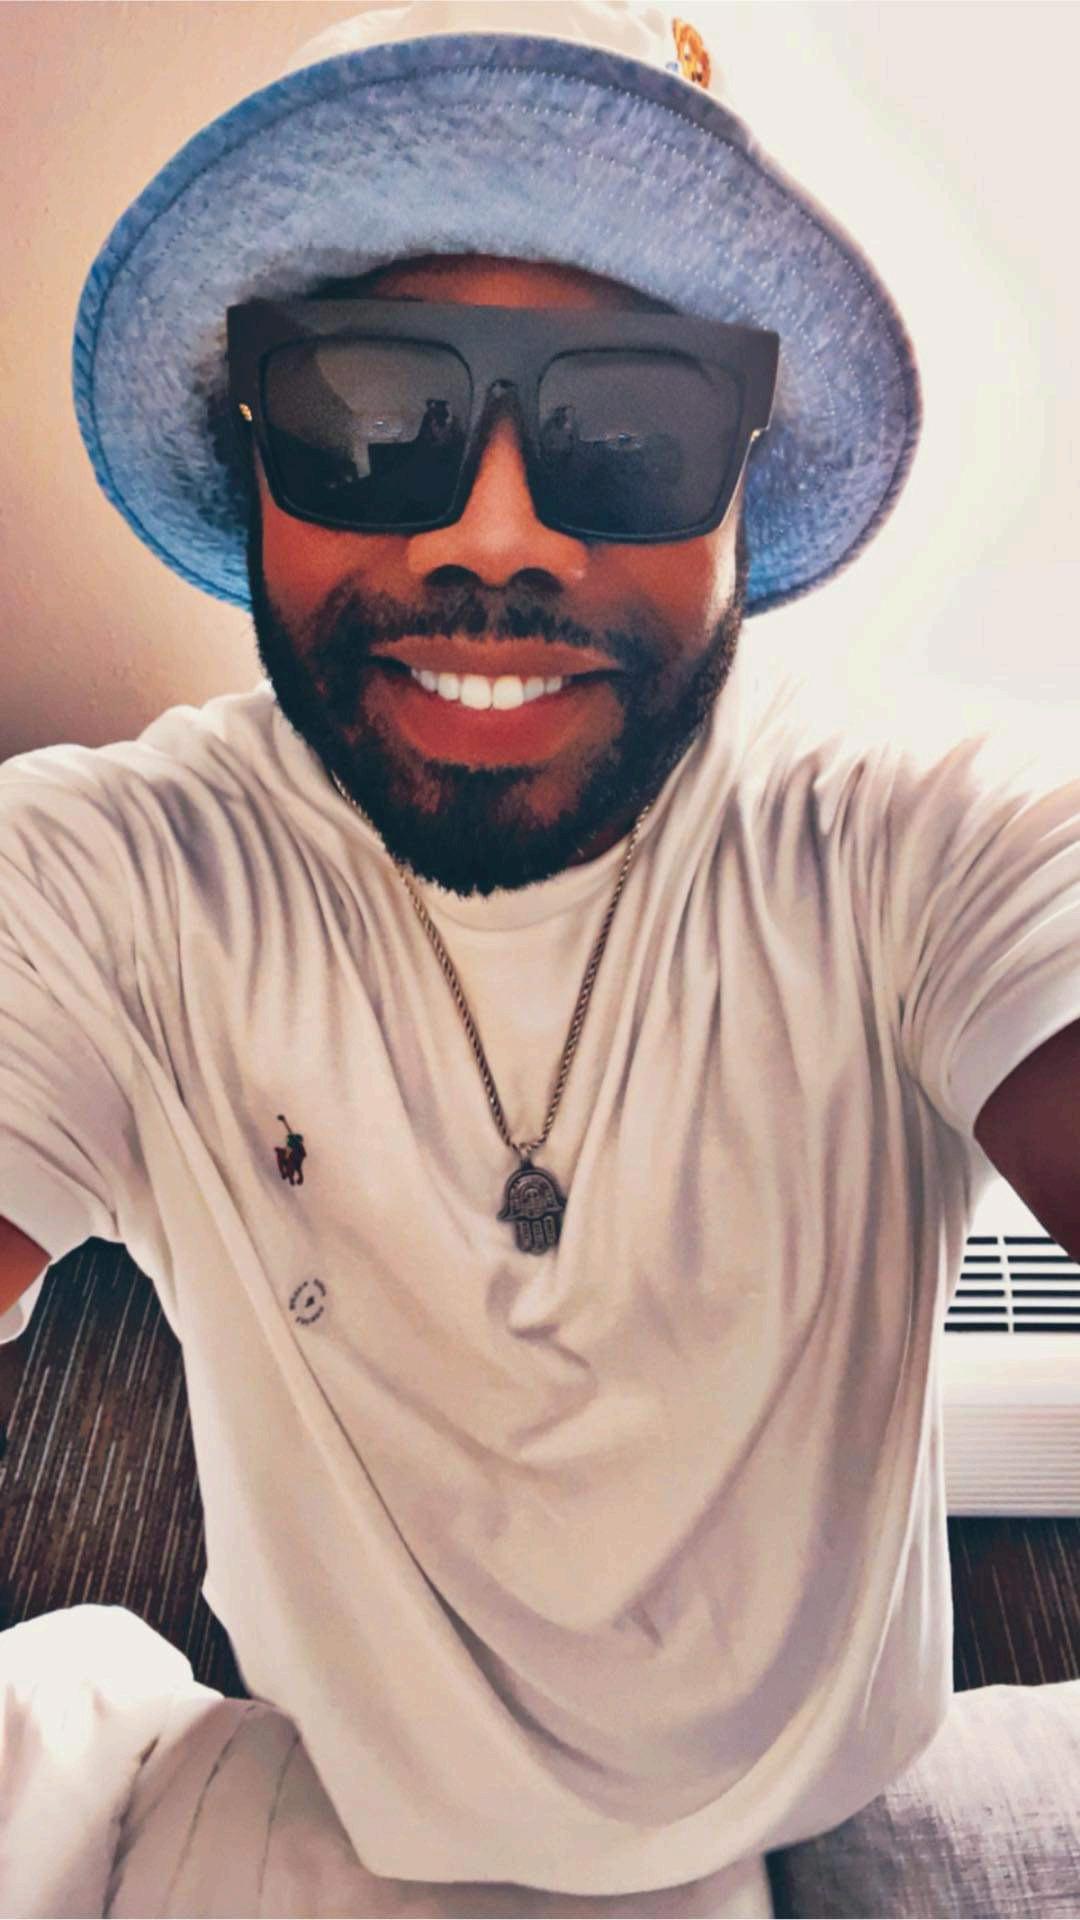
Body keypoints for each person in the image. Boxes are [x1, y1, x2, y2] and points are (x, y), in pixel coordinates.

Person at [1, 2, 1078, 1914]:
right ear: (253, 457)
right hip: (344, 1794)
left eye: (633, 422)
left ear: (743, 476)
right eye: (364, 409)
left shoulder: (909, 831)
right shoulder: (112, 880)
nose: (493, 535)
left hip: (828, 1776)